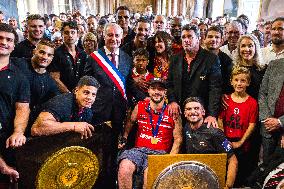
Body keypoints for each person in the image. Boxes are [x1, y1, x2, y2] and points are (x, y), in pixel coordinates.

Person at [84, 23, 145, 188]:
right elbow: (86, 84)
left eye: (117, 35)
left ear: (122, 37)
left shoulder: (126, 57)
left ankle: (112, 182)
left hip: (119, 111)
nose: (114, 39)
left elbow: (128, 84)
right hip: (98, 112)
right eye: (110, 35)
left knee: (114, 149)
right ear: (104, 36)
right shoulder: (94, 57)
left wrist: (144, 99)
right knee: (97, 149)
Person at [117, 78, 182, 189]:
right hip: (139, 150)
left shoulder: (172, 111)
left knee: (150, 176)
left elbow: (178, 139)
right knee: (124, 168)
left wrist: (170, 159)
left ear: (165, 92)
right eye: (153, 88)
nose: (156, 92)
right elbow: (131, 121)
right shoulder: (140, 105)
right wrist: (124, 137)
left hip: (159, 153)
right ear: (148, 91)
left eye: (160, 89)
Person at [167, 24, 222, 127]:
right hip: (179, 112)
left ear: (198, 39)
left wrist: (212, 114)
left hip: (201, 115)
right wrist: (172, 101)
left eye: (190, 36)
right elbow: (169, 83)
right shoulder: (175, 59)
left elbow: (215, 89)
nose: (186, 40)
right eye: (183, 37)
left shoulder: (211, 59)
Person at [182, 97, 238, 189]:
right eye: (189, 109)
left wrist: (228, 186)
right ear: (185, 114)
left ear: (203, 112)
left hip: (212, 180)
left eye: (196, 108)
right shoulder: (186, 128)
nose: (192, 112)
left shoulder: (215, 133)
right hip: (193, 179)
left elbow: (233, 160)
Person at [0, 23, 30, 184]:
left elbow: (22, 107)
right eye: (1, 38)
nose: (4, 42)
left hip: (4, 140)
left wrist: (18, 132)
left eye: (9, 40)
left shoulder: (20, 77)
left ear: (13, 46)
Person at [218, 66, 258, 187]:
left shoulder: (252, 102)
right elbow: (220, 119)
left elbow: (252, 125)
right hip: (226, 139)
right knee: (226, 169)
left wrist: (240, 142)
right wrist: (224, 139)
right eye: (236, 80)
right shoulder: (226, 100)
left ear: (248, 83)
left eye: (243, 80)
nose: (239, 83)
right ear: (231, 81)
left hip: (242, 142)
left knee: (241, 172)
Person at [31, 76, 99, 138]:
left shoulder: (88, 112)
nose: (90, 97)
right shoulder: (62, 103)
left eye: (93, 95)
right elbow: (36, 129)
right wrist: (74, 126)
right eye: (86, 93)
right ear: (76, 91)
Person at [49, 21, 88, 93]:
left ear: (77, 35)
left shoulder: (83, 53)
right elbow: (55, 78)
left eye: (73, 32)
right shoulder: (56, 53)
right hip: (62, 95)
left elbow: (85, 75)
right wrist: (69, 93)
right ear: (62, 34)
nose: (70, 35)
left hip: (81, 93)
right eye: (66, 33)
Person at [259, 58, 284, 164]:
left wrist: (280, 122)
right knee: (266, 168)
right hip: (268, 127)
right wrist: (268, 120)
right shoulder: (274, 64)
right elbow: (262, 93)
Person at [204, 26, 233, 94]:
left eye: (217, 37)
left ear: (222, 41)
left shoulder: (227, 61)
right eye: (210, 36)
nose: (213, 39)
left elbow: (228, 84)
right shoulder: (197, 57)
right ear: (204, 39)